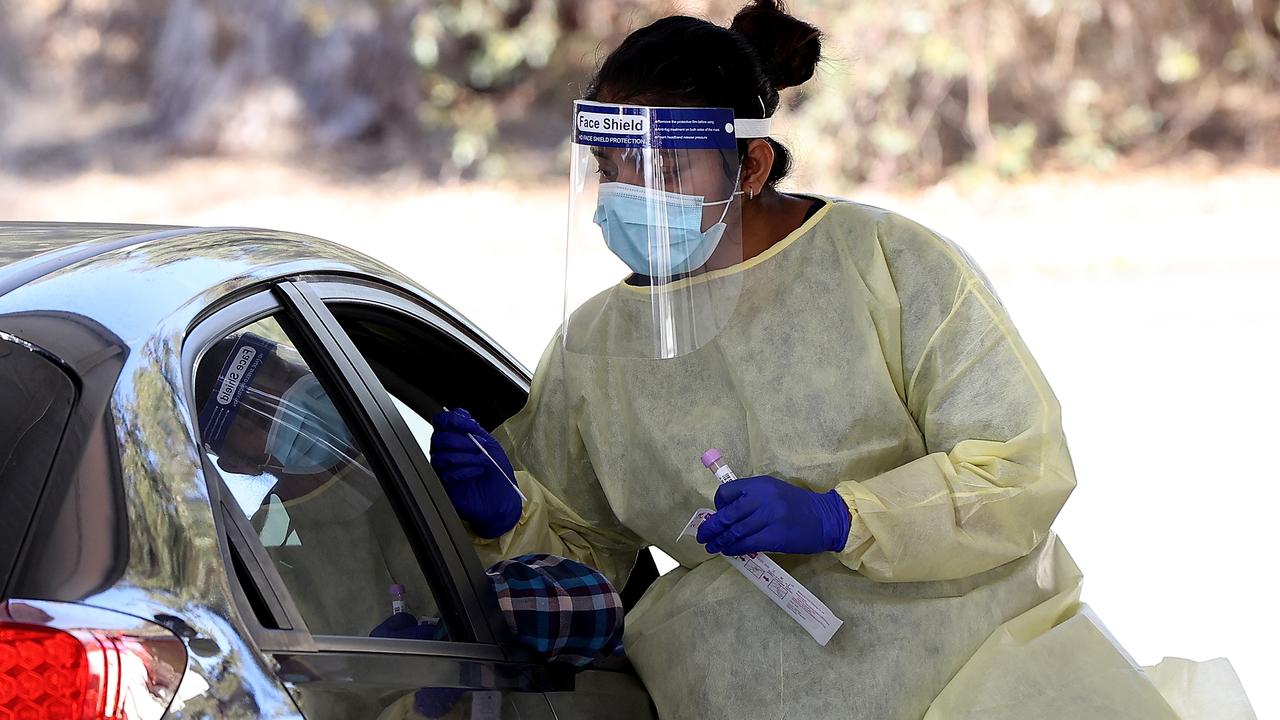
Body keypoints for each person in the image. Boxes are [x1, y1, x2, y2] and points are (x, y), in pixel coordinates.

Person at [426, 2, 1255, 719]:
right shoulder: (600, 343)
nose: (631, 195)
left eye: (665, 168)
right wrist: (510, 519)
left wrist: (845, 517)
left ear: (748, 165)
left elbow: (1018, 470)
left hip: (984, 685)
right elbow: (578, 563)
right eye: (613, 169)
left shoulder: (892, 268)